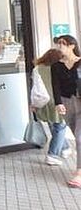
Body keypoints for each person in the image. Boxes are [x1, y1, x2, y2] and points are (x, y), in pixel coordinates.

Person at [32, 48, 71, 165]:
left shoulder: (37, 69)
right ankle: (52, 155)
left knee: (54, 125)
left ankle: (65, 148)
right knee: (60, 126)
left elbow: (35, 87)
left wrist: (33, 103)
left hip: (44, 101)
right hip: (57, 101)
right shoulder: (60, 68)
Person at [51, 35, 81, 188]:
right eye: (58, 44)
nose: (59, 46)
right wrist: (58, 103)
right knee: (75, 133)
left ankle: (79, 173)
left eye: (62, 43)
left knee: (80, 137)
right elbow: (55, 86)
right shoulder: (56, 66)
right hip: (67, 102)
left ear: (72, 46)